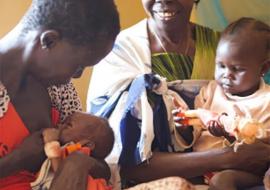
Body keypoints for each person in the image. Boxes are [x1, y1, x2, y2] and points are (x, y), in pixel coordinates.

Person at [87, 0, 270, 188]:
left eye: (236, 69)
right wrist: (227, 157)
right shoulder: (119, 53)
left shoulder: (227, 48)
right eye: (221, 67)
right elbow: (121, 163)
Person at [0, 0, 120, 189]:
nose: (77, 76)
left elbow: (101, 163)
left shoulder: (60, 90)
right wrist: (16, 160)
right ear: (49, 40)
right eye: (79, 66)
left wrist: (79, 162)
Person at [173, 17, 270, 190]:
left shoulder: (266, 101)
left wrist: (231, 133)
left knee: (222, 181)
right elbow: (194, 134)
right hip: (202, 166)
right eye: (221, 66)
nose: (226, 75)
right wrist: (184, 126)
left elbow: (262, 147)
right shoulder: (210, 91)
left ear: (263, 69)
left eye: (237, 69)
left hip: (244, 171)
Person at [31, 111, 114, 190]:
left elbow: (64, 177)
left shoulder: (80, 151)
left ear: (87, 145)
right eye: (63, 122)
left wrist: (51, 144)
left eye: (68, 125)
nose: (60, 125)